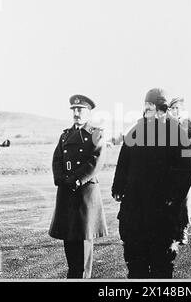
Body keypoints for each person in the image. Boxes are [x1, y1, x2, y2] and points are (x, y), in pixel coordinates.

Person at [112, 88, 191, 278]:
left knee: (162, 266)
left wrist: (173, 199)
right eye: (145, 107)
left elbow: (186, 171)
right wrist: (118, 187)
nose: (146, 111)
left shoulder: (178, 133)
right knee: (135, 265)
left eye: (150, 107)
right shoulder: (136, 131)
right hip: (135, 212)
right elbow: (123, 162)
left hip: (162, 214)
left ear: (161, 110)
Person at [49, 94, 108, 279]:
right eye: (74, 110)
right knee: (69, 241)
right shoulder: (65, 135)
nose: (76, 113)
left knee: (83, 243)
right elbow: (57, 159)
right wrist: (60, 179)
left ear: (88, 112)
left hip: (84, 196)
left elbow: (95, 162)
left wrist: (75, 179)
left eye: (80, 110)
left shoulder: (95, 134)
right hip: (66, 194)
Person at [169, 97, 191, 245]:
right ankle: (171, 230)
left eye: (179, 108)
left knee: (184, 200)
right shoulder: (166, 124)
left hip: (184, 169)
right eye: (173, 108)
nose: (176, 111)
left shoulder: (187, 123)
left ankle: (183, 230)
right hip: (169, 168)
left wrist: (187, 155)